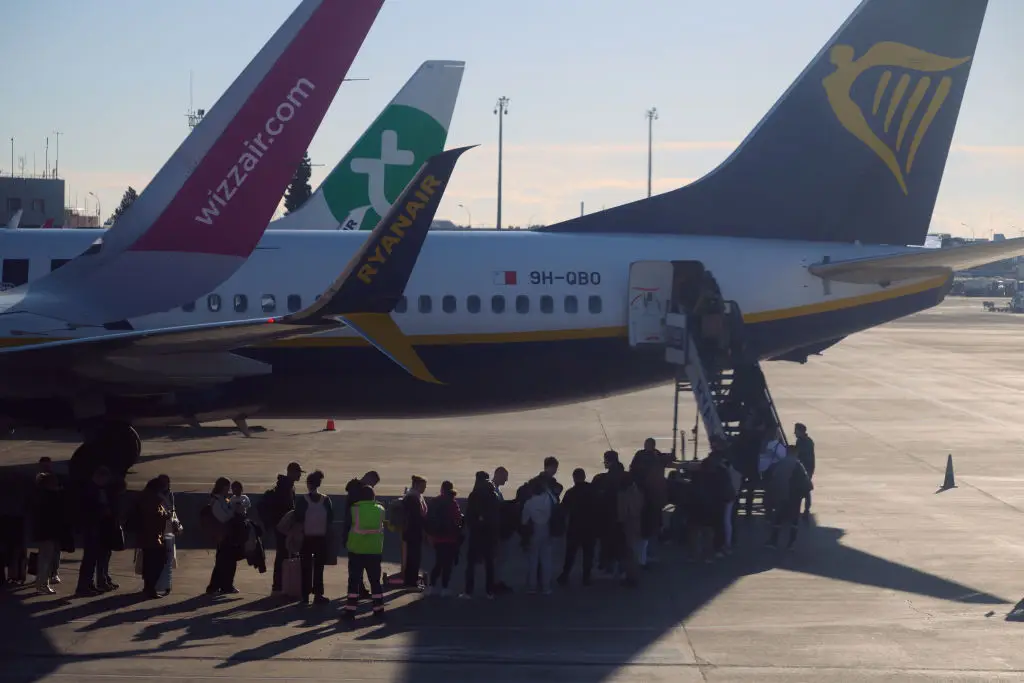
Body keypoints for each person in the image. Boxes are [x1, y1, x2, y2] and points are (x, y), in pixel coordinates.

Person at [343, 485, 386, 620]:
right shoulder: (381, 509)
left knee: (354, 581)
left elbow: (347, 527)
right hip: (374, 550)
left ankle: (350, 610)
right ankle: (378, 608)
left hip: (357, 549)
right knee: (375, 581)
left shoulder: (354, 509)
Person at [75, 466, 117, 597]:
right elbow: (87, 510)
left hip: (98, 527)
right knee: (89, 559)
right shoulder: (90, 490)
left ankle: (89, 584)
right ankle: (83, 586)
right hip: (92, 527)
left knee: (93, 558)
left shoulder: (98, 489)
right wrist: (102, 511)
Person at [294, 470, 333, 605]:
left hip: (306, 538)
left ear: (308, 484)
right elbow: (330, 519)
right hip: (321, 538)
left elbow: (297, 517)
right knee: (319, 567)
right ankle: (318, 594)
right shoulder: (326, 500)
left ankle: (305, 596)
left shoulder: (302, 500)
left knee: (305, 567)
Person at [259, 464, 299, 595]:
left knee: (287, 554)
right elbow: (285, 508)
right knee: (283, 554)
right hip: (283, 526)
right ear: (291, 472)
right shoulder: (285, 487)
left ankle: (285, 584)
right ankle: (278, 586)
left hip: (284, 526)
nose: (299, 475)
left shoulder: (289, 486)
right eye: (298, 472)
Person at [462, 471, 499, 599]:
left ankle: (468, 591)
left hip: (476, 533)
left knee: (471, 564)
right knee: (489, 564)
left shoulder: (475, 494)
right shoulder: (493, 494)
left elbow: (469, 515)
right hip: (489, 533)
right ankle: (489, 591)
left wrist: (473, 524)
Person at [557, 468, 597, 586]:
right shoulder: (592, 490)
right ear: (584, 477)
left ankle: (565, 574)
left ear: (574, 478)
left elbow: (563, 510)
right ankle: (586, 577)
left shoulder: (570, 493)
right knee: (588, 553)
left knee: (570, 553)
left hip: (575, 527)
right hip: (590, 527)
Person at [767, 446, 812, 550]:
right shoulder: (798, 465)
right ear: (796, 453)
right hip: (794, 497)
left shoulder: (779, 464)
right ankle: (791, 543)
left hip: (781, 495)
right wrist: (807, 506)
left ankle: (773, 541)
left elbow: (773, 478)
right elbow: (807, 484)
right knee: (794, 520)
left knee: (778, 518)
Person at [32, 472, 69, 595]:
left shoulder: (39, 495)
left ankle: (41, 583)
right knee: (46, 559)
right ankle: (43, 584)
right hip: (49, 532)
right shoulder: (51, 496)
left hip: (42, 531)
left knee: (44, 558)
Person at [135, 478, 171, 599]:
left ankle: (148, 587)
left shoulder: (144, 497)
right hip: (154, 535)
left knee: (149, 561)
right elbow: (157, 516)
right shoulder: (154, 499)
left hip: (147, 535)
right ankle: (150, 588)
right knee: (157, 562)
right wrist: (167, 515)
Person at [427, 481, 462, 597]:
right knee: (447, 564)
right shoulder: (453, 503)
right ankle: (444, 588)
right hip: (451, 538)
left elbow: (429, 519)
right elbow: (458, 519)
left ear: (441, 489)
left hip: (438, 538)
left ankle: (431, 586)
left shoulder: (434, 502)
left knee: (438, 563)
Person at [521, 477, 556, 595]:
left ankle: (532, 586)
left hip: (534, 530)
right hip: (546, 529)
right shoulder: (548, 499)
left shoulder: (529, 502)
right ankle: (546, 587)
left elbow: (524, 520)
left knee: (533, 560)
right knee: (546, 560)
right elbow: (555, 502)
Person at [206, 477, 240, 594]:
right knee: (222, 562)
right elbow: (223, 517)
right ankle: (214, 587)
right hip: (222, 536)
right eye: (227, 487)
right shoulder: (215, 501)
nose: (229, 490)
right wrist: (234, 511)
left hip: (229, 535)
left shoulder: (224, 499)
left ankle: (227, 585)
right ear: (222, 487)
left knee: (229, 562)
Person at [154, 475, 181, 596]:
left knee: (169, 557)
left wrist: (176, 523)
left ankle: (166, 584)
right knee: (161, 557)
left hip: (169, 528)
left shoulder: (170, 494)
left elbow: (173, 510)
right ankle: (158, 584)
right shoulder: (156, 495)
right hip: (160, 529)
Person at [401, 475, 428, 589]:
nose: (424, 489)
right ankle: (411, 582)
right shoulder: (413, 498)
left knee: (413, 557)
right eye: (423, 486)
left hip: (412, 531)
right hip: (413, 532)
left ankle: (411, 580)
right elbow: (416, 517)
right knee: (414, 557)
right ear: (416, 485)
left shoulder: (414, 496)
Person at [795, 423, 816, 517]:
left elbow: (803, 455)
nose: (795, 433)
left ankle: (806, 508)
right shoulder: (803, 441)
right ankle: (805, 508)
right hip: (806, 467)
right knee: (804, 488)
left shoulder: (805, 442)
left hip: (806, 467)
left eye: (796, 431)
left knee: (805, 489)